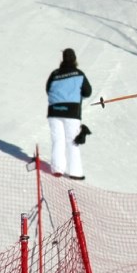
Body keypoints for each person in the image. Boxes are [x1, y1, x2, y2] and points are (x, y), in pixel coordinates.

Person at [46, 48, 92, 180]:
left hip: (54, 111)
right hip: (71, 112)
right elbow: (87, 92)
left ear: (62, 59)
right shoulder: (79, 74)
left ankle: (57, 169)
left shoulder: (54, 74)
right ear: (75, 59)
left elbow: (48, 89)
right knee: (72, 141)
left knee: (57, 140)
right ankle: (75, 172)